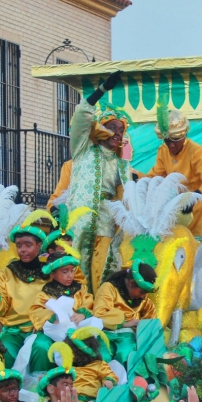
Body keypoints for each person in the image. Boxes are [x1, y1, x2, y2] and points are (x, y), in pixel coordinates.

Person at [64, 72, 135, 293]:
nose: (117, 133)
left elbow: (127, 196)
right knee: (75, 263)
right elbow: (81, 116)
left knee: (102, 265)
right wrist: (102, 90)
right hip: (80, 216)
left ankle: (98, 307)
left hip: (105, 218)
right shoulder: (83, 148)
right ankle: (76, 306)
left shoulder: (123, 166)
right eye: (113, 127)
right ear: (101, 128)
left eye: (121, 130)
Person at [0, 213, 51, 367]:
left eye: (28, 245)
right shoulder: (6, 272)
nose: (23, 250)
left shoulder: (49, 271)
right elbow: (0, 309)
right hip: (13, 331)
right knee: (3, 350)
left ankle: (39, 388)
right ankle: (8, 388)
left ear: (39, 246)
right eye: (19, 246)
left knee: (42, 348)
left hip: (40, 329)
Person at [144, 107, 202, 238]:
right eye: (167, 140)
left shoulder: (197, 152)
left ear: (184, 135)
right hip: (181, 217)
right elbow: (154, 177)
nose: (171, 146)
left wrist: (195, 197)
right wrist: (136, 177)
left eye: (175, 140)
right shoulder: (163, 151)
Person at [28, 248, 96, 373]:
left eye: (72, 271)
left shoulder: (81, 289)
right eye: (65, 272)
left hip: (78, 330)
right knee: (41, 346)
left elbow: (89, 303)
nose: (70, 275)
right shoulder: (45, 293)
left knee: (97, 343)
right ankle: (41, 379)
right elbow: (36, 311)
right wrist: (53, 317)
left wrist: (82, 314)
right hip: (51, 332)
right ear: (52, 274)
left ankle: (88, 378)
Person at [93, 263, 158, 365]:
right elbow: (99, 315)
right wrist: (124, 323)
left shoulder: (144, 300)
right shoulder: (109, 288)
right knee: (102, 356)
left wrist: (143, 329)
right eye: (142, 292)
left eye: (146, 293)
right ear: (131, 283)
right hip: (105, 333)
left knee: (126, 355)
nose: (144, 296)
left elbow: (151, 323)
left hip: (128, 336)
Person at [65, 327, 118, 401]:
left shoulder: (98, 365)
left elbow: (108, 374)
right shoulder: (67, 368)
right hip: (70, 401)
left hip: (90, 401)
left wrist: (108, 380)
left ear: (79, 353)